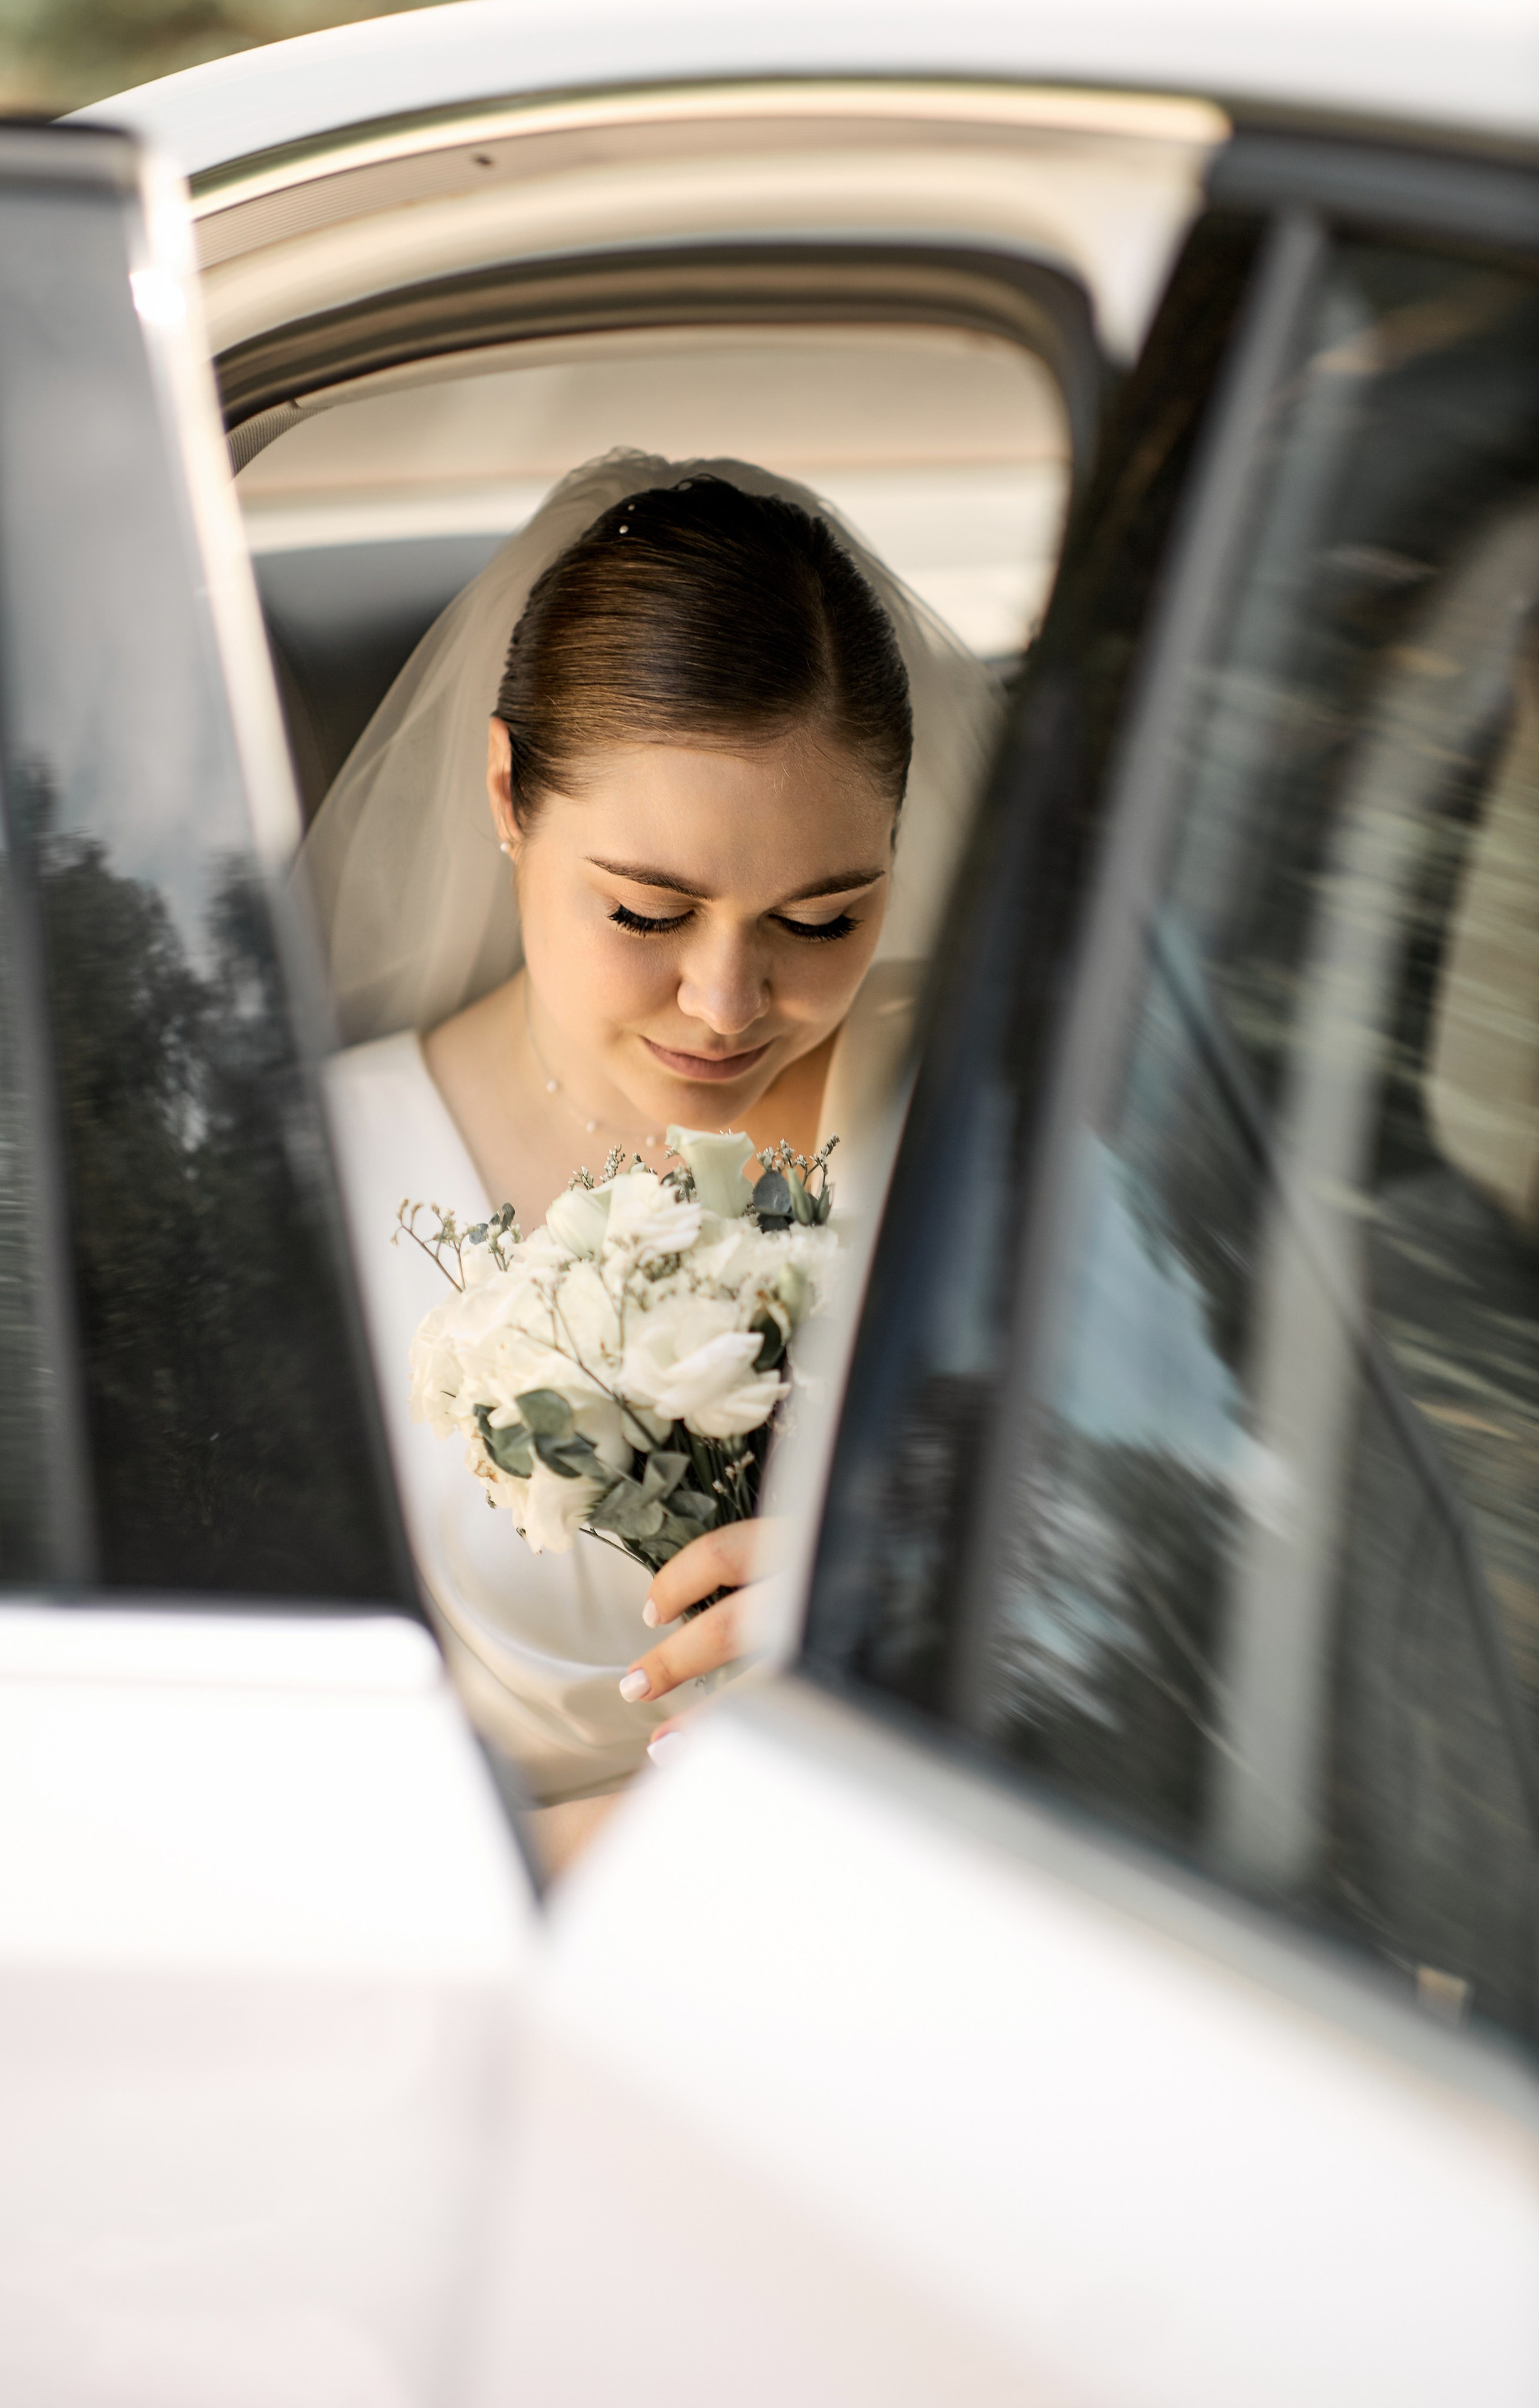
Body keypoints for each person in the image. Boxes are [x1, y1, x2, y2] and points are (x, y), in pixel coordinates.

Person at [302, 452, 1001, 1859]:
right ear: (507, 796)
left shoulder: (973, 1101)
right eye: (643, 912)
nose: (727, 1005)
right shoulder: (315, 1181)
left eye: (821, 923)